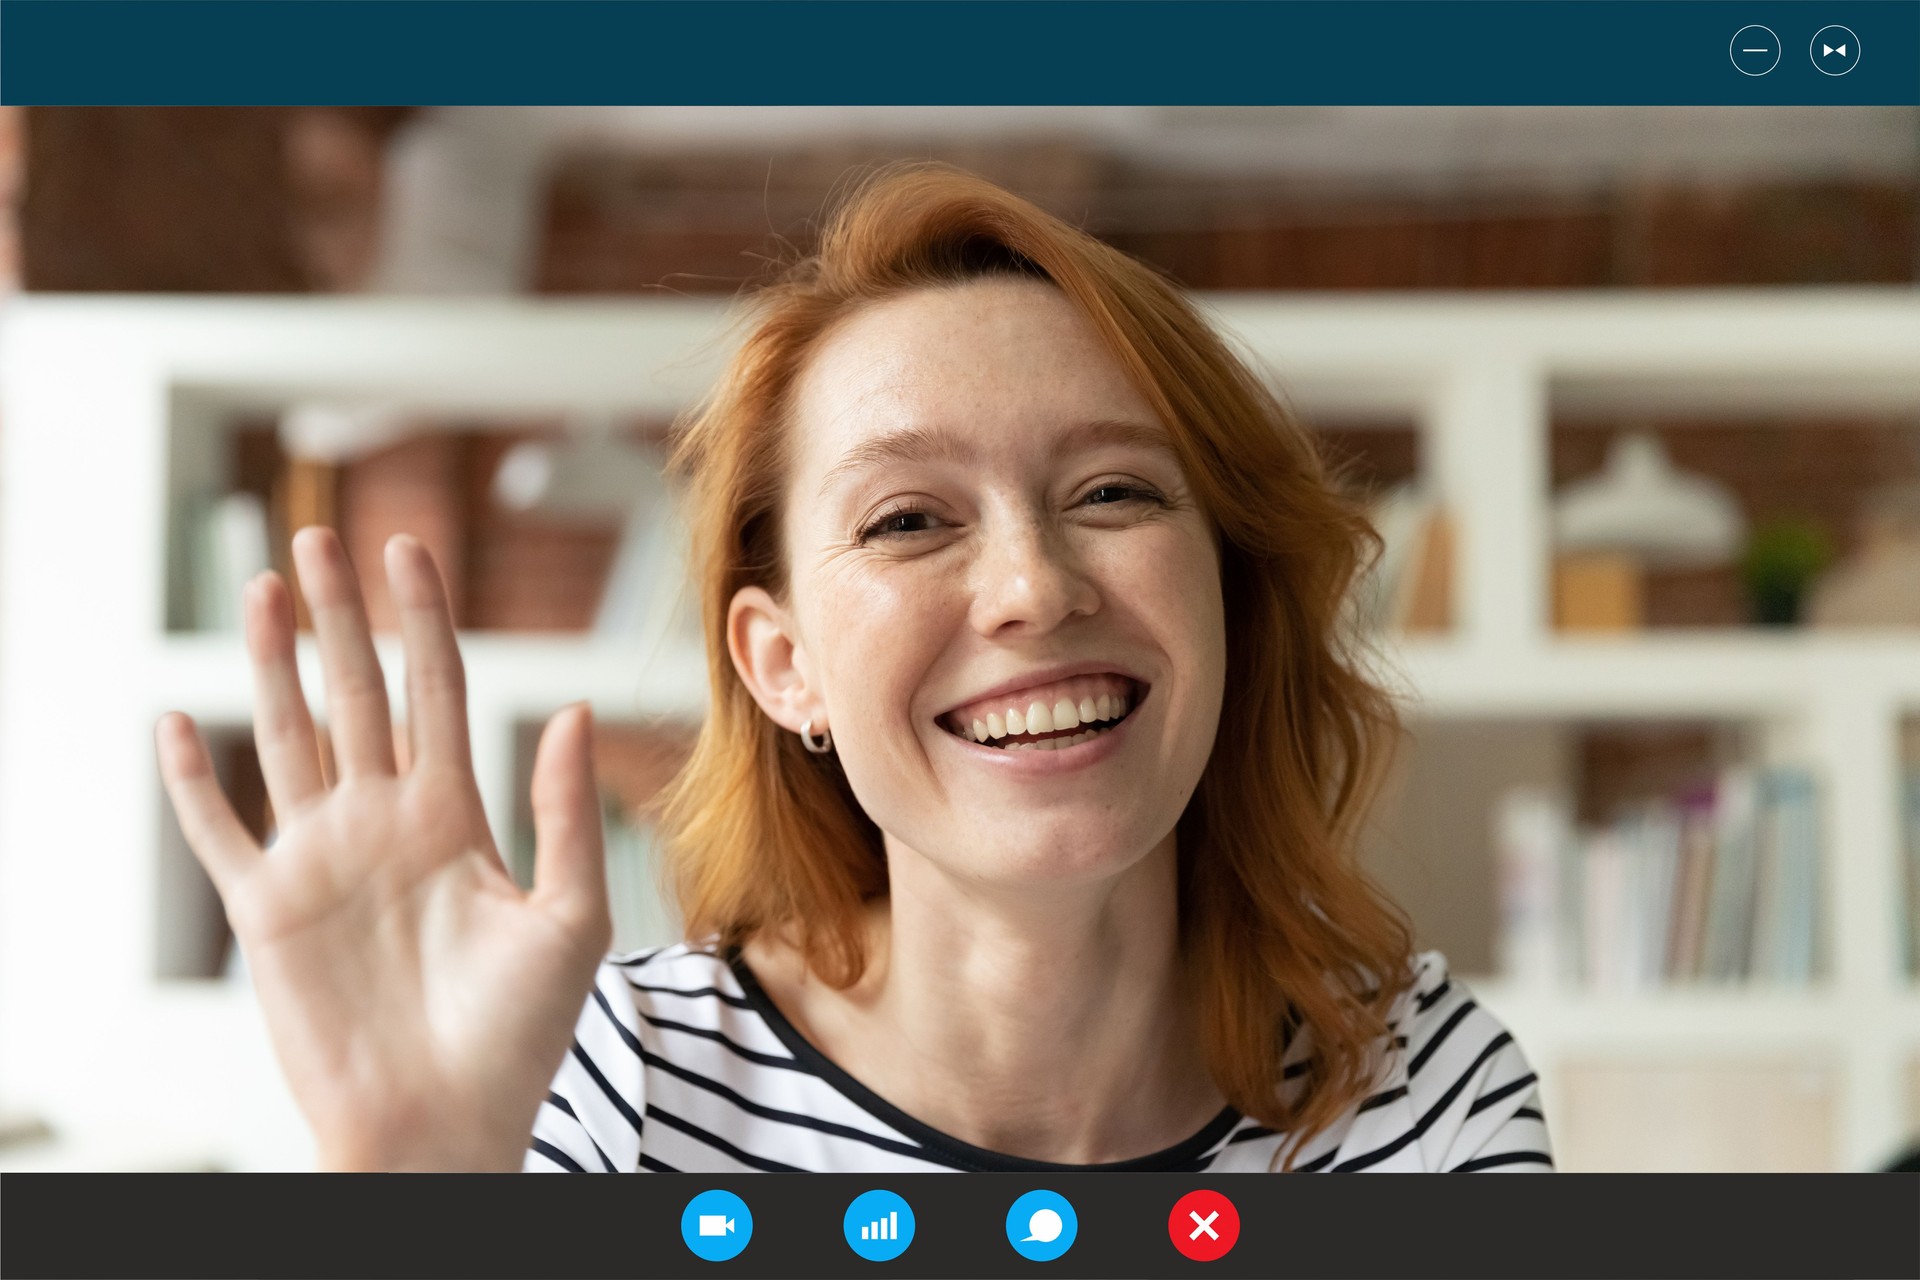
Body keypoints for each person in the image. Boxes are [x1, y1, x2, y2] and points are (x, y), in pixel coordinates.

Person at [155, 163, 1551, 1174]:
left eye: (1117, 493)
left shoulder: (1422, 1098)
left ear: (1230, 588)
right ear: (782, 668)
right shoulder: (616, 1093)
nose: (1032, 587)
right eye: (907, 520)